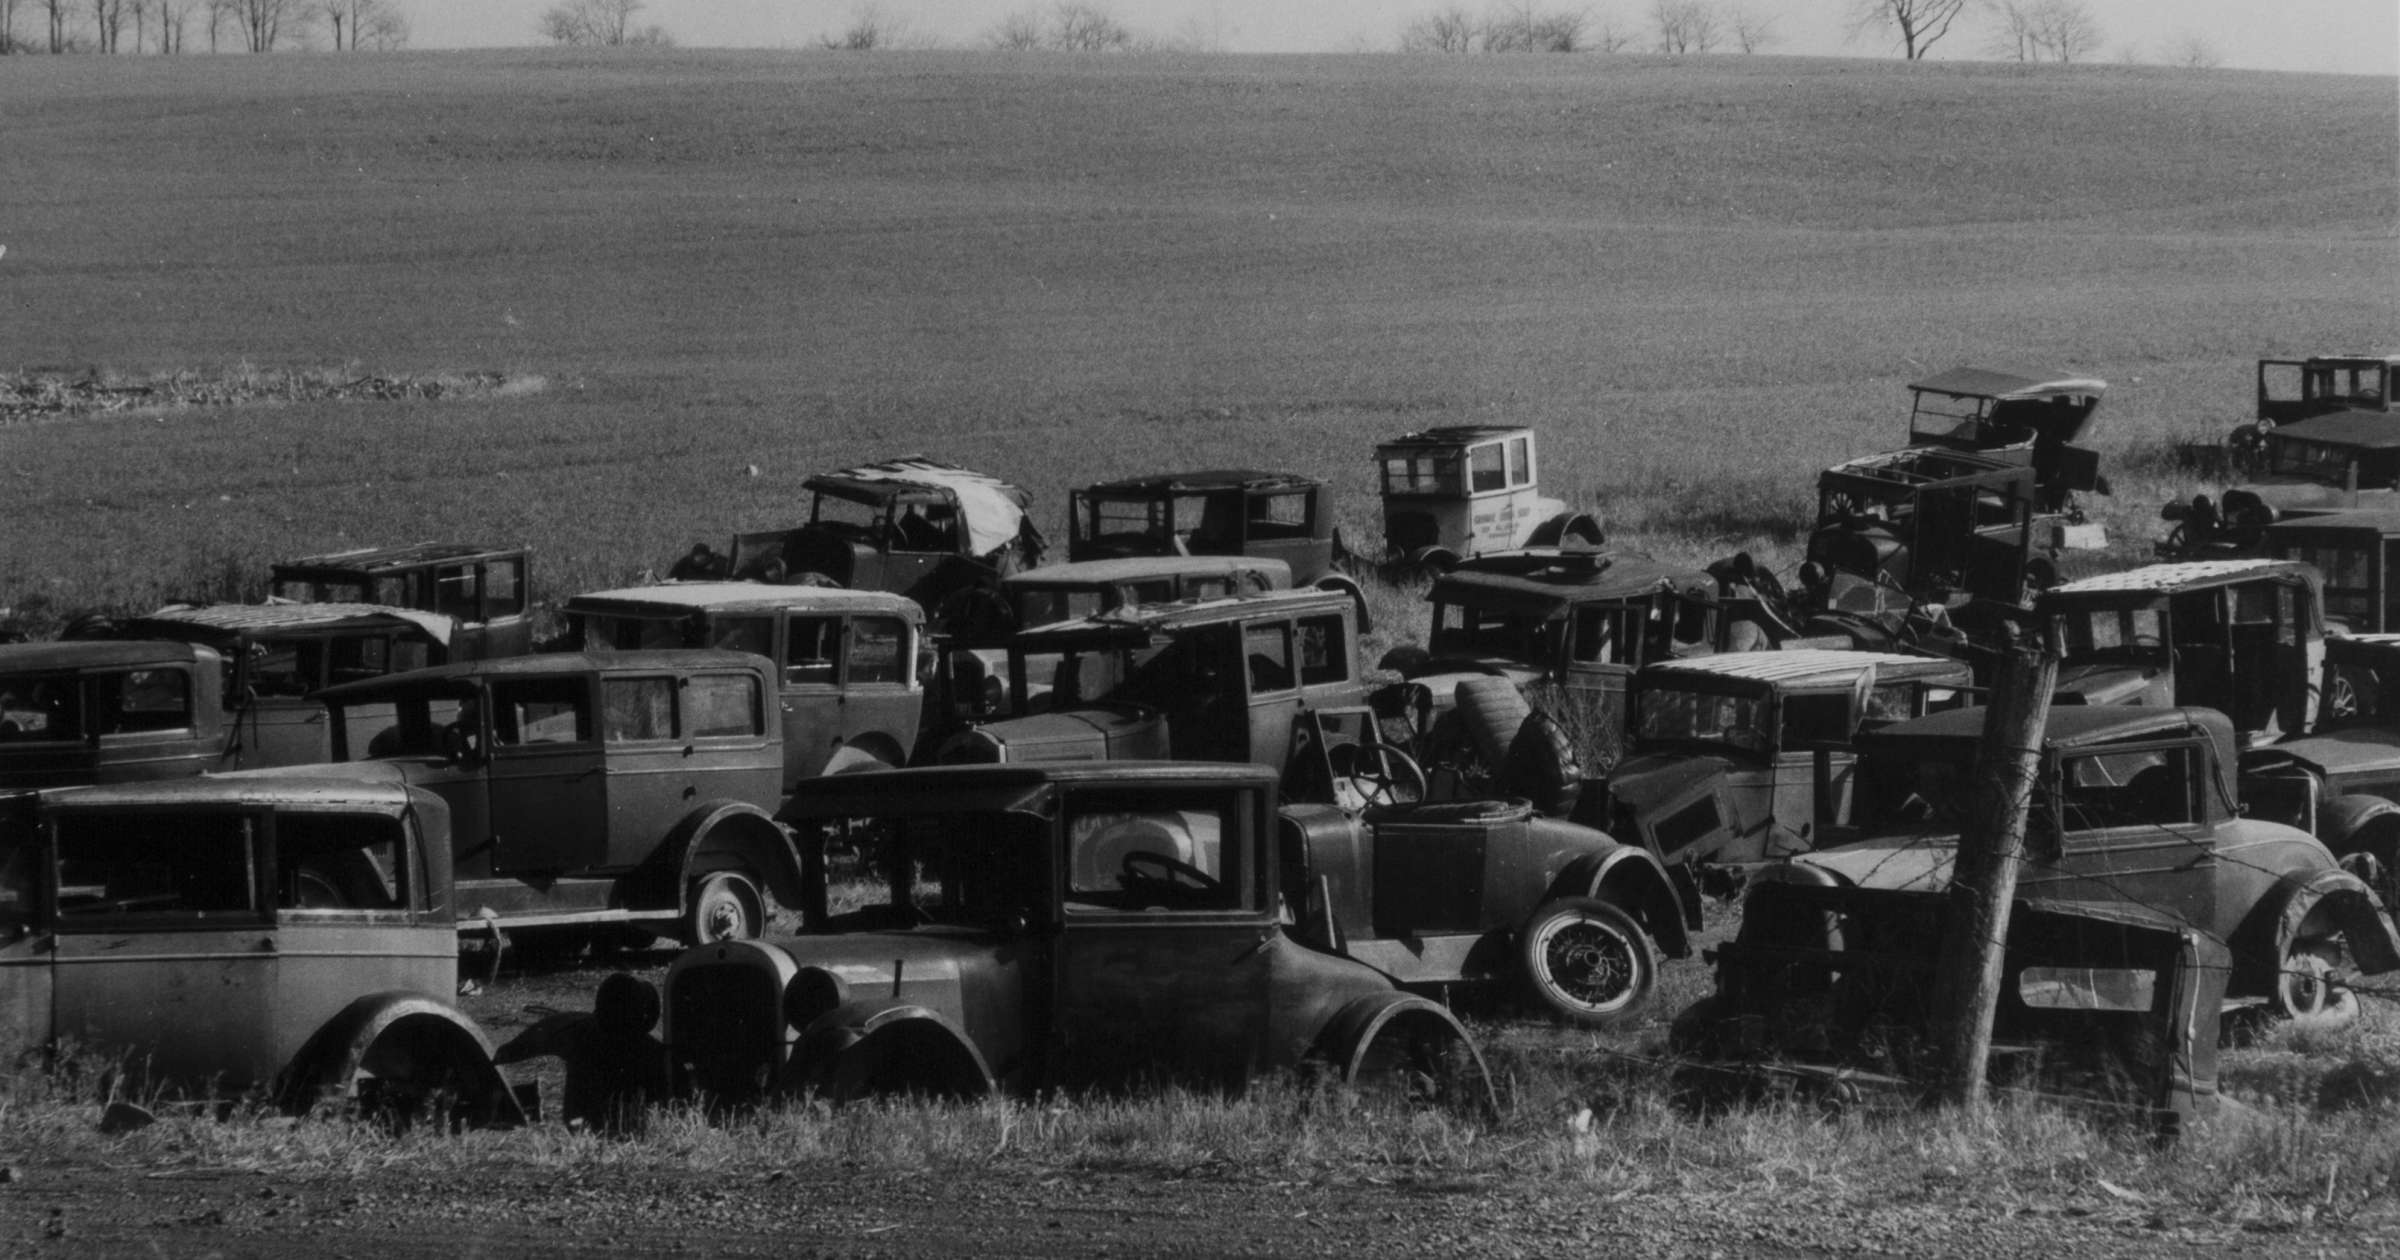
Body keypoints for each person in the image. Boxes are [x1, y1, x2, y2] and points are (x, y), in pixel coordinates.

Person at [494, 971, 669, 1137]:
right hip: (591, 1129)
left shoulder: (570, 1030)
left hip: (589, 1129)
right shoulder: (653, 1051)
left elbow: (507, 1054)